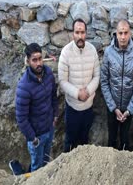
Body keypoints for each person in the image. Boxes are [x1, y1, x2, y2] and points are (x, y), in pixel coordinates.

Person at [15, 43, 59, 172]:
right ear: (28, 61)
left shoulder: (49, 74)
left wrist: (55, 115)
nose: (38, 63)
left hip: (49, 128)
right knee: (37, 166)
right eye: (34, 60)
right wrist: (32, 138)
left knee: (45, 161)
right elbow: (21, 118)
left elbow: (53, 97)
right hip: (36, 136)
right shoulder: (24, 86)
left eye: (40, 59)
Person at [58, 18, 100, 152]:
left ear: (86, 33)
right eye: (77, 32)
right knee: (70, 140)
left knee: (84, 140)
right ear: (72, 34)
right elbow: (62, 80)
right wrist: (77, 93)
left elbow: (97, 76)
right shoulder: (66, 52)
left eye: (82, 32)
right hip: (72, 108)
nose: (80, 36)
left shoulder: (92, 50)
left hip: (88, 107)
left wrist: (87, 91)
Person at [101, 19, 133, 151]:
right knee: (112, 139)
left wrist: (130, 109)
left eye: (126, 33)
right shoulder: (108, 53)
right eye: (120, 33)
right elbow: (104, 81)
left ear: (130, 34)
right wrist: (113, 107)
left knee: (125, 140)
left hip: (128, 109)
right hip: (112, 107)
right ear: (116, 34)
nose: (123, 37)